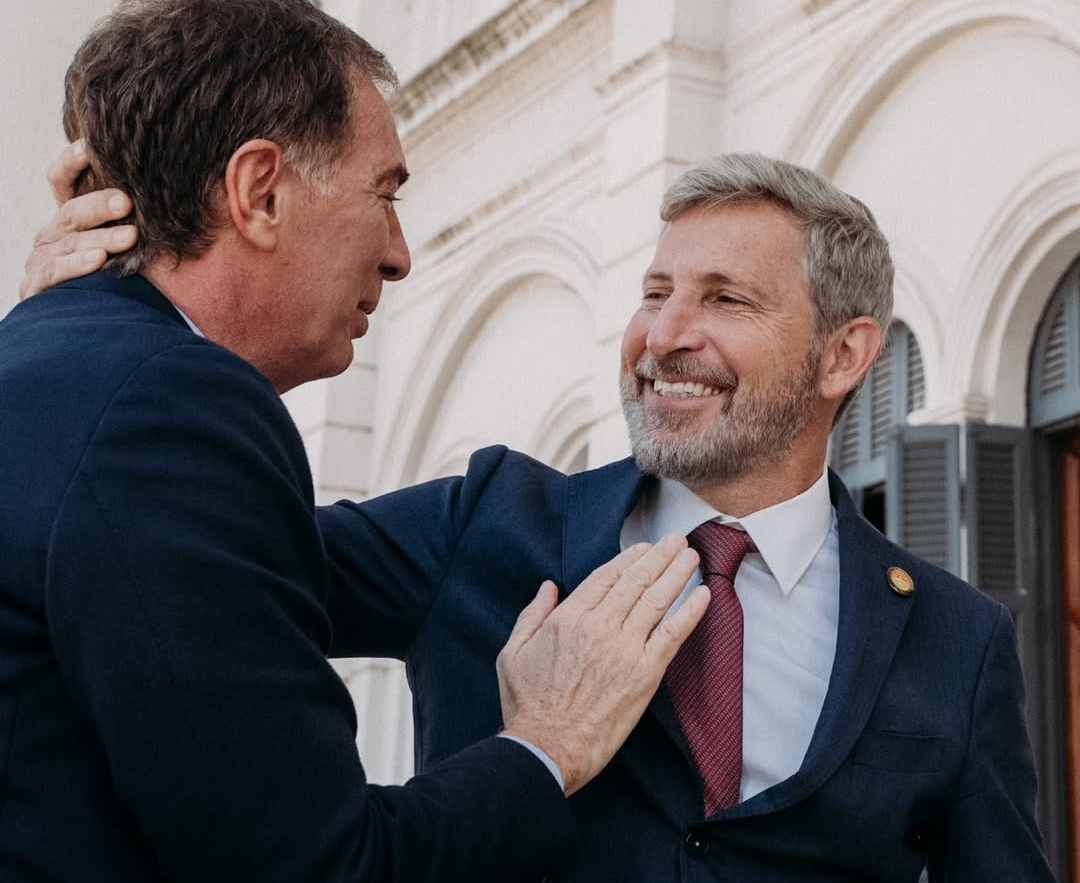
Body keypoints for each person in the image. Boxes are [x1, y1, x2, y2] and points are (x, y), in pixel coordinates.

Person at [25, 112, 1056, 883]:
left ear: (844, 355)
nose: (664, 335)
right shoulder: (482, 523)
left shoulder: (957, 641)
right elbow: (157, 549)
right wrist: (94, 318)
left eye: (725, 299)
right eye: (654, 293)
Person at [0, 2, 714, 882]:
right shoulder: (167, 406)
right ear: (260, 192)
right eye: (385, 194)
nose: (400, 254)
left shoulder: (52, 367)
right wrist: (548, 743)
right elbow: (324, 866)